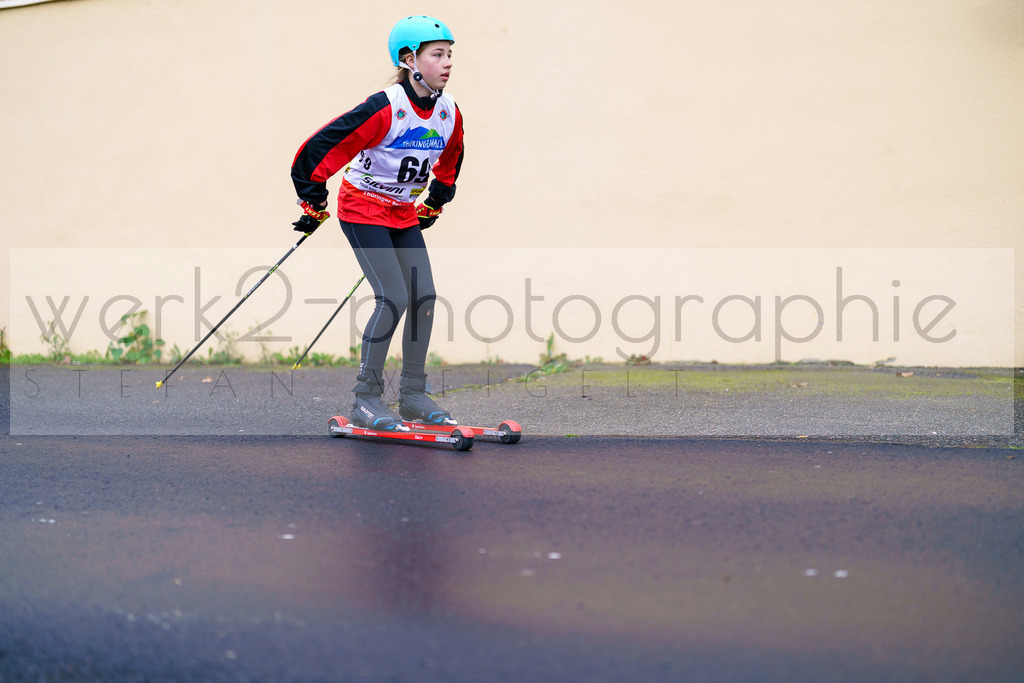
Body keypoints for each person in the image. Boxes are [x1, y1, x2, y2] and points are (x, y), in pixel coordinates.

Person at [290, 15, 463, 431]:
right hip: (362, 208)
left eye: (450, 55)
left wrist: (436, 200)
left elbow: (451, 159)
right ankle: (365, 399)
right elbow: (320, 148)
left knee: (424, 296)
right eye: (437, 55)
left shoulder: (448, 111)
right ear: (409, 60)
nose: (447, 63)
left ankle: (413, 395)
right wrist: (313, 200)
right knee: (394, 296)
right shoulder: (385, 107)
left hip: (401, 212)